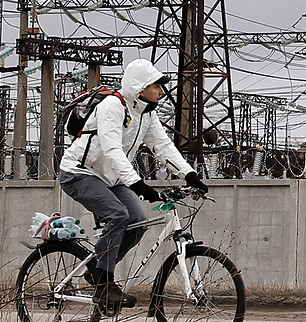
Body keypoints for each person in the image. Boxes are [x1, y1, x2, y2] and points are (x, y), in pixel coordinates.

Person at [58, 58, 209, 314]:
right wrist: (138, 184)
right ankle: (105, 284)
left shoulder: (146, 113)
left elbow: (162, 146)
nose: (162, 91)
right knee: (118, 215)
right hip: (79, 173)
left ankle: (98, 270)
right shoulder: (112, 106)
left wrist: (189, 174)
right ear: (140, 87)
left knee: (137, 222)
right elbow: (112, 150)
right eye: (156, 86)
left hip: (110, 178)